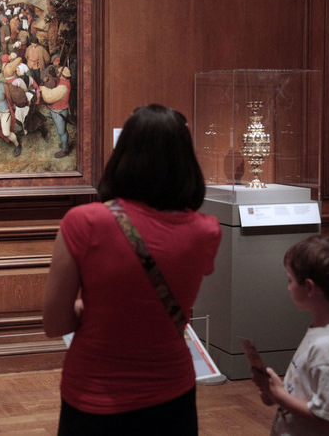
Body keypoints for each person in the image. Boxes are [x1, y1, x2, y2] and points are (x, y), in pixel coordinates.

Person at [43, 104, 221, 436]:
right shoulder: (206, 230)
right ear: (186, 160)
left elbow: (55, 322)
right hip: (173, 394)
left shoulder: (86, 222)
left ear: (124, 154)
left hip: (95, 394)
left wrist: (91, 308)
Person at [252, 235, 329, 436]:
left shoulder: (328, 348)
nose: (288, 287)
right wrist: (276, 392)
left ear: (310, 287)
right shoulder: (322, 334)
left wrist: (279, 395)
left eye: (290, 280)